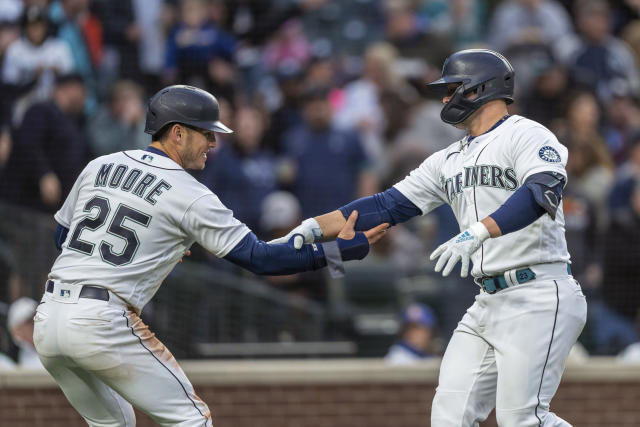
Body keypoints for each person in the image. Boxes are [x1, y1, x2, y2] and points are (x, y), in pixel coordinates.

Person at [32, 84, 388, 427]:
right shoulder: (190, 193)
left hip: (49, 320)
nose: (214, 142)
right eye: (206, 132)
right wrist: (338, 252)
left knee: (114, 421)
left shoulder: (101, 165)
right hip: (102, 320)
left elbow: (65, 238)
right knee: (192, 419)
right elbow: (260, 259)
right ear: (177, 133)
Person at [271, 49, 587, 426]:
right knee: (449, 417)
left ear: (480, 88)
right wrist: (313, 227)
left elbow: (542, 192)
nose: (444, 98)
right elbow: (385, 205)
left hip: (538, 291)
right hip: (488, 299)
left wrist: (478, 230)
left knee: (522, 420)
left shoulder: (527, 134)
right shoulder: (448, 158)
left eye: (452, 88)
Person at [7, 296, 43, 369]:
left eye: (38, 319)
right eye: (29, 321)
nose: (36, 324)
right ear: (16, 330)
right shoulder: (6, 363)